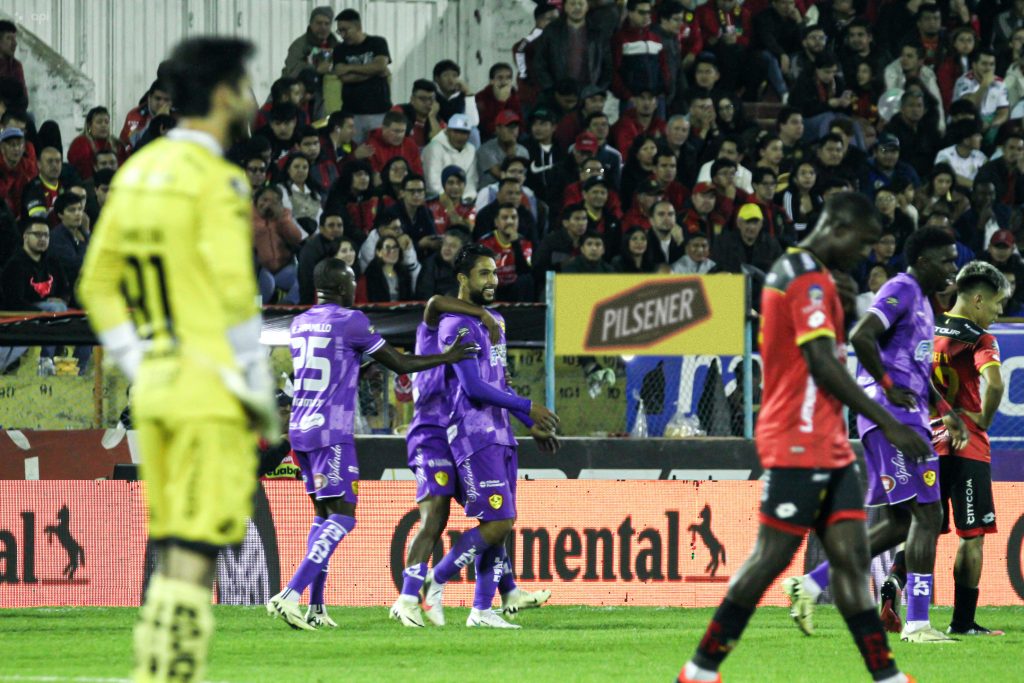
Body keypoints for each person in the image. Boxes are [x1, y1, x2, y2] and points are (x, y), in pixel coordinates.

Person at [75, 37, 276, 682]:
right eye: (245, 86)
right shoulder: (216, 182)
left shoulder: (136, 172)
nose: (252, 99)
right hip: (206, 386)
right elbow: (235, 299)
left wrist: (139, 359)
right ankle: (167, 673)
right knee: (195, 554)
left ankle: (159, 668)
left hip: (158, 387)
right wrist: (259, 396)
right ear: (221, 95)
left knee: (179, 544)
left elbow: (97, 284)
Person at [677, 192, 928, 683]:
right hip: (796, 438)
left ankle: (887, 676)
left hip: (829, 441)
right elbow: (819, 362)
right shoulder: (801, 277)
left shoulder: (817, 281)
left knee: (853, 560)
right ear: (837, 226)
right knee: (771, 557)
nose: (864, 253)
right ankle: (699, 670)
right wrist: (890, 420)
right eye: (863, 242)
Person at [268, 258, 476, 629]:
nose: (355, 288)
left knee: (323, 518)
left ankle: (316, 607)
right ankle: (290, 594)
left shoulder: (300, 323)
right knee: (343, 517)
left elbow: (338, 362)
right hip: (331, 433)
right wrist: (449, 356)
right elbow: (398, 363)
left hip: (300, 428)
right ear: (338, 286)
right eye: (350, 282)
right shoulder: (353, 321)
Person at [784, 228, 967, 644]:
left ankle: (811, 584)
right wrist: (886, 390)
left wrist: (946, 410)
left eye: (954, 260)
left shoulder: (922, 302)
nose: (952, 268)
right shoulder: (901, 289)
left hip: (906, 416)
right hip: (893, 420)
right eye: (946, 260)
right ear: (922, 261)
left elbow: (917, 373)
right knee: (929, 514)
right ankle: (919, 624)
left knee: (900, 523)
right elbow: (861, 335)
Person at [391, 291, 552, 627]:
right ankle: (410, 596)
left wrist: (526, 421)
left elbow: (494, 383)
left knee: (496, 519)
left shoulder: (470, 338)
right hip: (431, 434)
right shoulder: (439, 326)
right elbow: (435, 302)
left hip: (457, 430)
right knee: (436, 515)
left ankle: (501, 594)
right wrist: (483, 314)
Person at [929, 261, 1009, 636]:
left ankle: (897, 595)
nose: (999, 312)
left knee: (922, 531)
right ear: (978, 298)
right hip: (966, 445)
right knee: (970, 537)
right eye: (996, 304)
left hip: (926, 442)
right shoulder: (979, 338)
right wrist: (983, 419)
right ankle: (962, 623)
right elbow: (994, 384)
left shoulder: (927, 328)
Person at [333, 9, 392, 142]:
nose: (342, 34)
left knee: (377, 152)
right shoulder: (339, 49)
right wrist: (375, 72)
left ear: (358, 27)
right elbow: (344, 77)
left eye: (345, 30)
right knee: (353, 154)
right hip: (352, 113)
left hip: (379, 111)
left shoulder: (377, 43)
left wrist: (349, 68)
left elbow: (380, 65)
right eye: (339, 31)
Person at [531, 0, 612, 95]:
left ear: (587, 6)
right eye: (572, 4)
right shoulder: (551, 31)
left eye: (581, 4)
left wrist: (598, 90)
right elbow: (540, 63)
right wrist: (551, 89)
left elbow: (608, 66)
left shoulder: (598, 33)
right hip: (559, 94)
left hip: (588, 95)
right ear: (565, 7)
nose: (577, 8)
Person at [478, 203, 534, 302]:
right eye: (505, 218)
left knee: (527, 279)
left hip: (515, 290)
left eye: (514, 217)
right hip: (494, 290)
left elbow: (524, 270)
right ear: (496, 222)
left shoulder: (524, 242)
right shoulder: (485, 243)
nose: (510, 221)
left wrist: (515, 244)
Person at [711, 202, 782, 275]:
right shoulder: (723, 244)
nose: (751, 227)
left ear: (761, 224)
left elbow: (780, 271)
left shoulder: (771, 245)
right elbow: (713, 271)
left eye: (755, 223)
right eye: (747, 222)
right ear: (739, 223)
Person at [422, 114, 478, 201]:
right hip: (436, 199)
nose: (460, 136)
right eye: (456, 132)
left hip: (462, 201)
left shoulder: (471, 150)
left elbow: (471, 181)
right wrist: (450, 202)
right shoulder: (434, 148)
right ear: (447, 131)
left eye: (464, 133)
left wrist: (466, 200)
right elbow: (432, 184)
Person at [297, 212, 345, 305]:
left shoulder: (345, 242)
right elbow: (307, 282)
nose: (336, 229)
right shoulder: (311, 250)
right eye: (331, 225)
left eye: (339, 225)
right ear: (321, 229)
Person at [68, 107, 125, 181]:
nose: (104, 125)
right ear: (89, 125)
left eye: (106, 122)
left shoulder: (116, 143)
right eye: (99, 122)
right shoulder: (80, 143)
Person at [416, 228, 470, 299]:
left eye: (453, 246)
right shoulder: (431, 264)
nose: (447, 248)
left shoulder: (467, 265)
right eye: (445, 244)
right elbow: (424, 297)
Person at [120, 81, 173, 151]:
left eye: (166, 100)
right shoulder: (135, 115)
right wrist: (157, 120)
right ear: (149, 98)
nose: (161, 104)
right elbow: (134, 143)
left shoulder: (178, 116)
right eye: (158, 98)